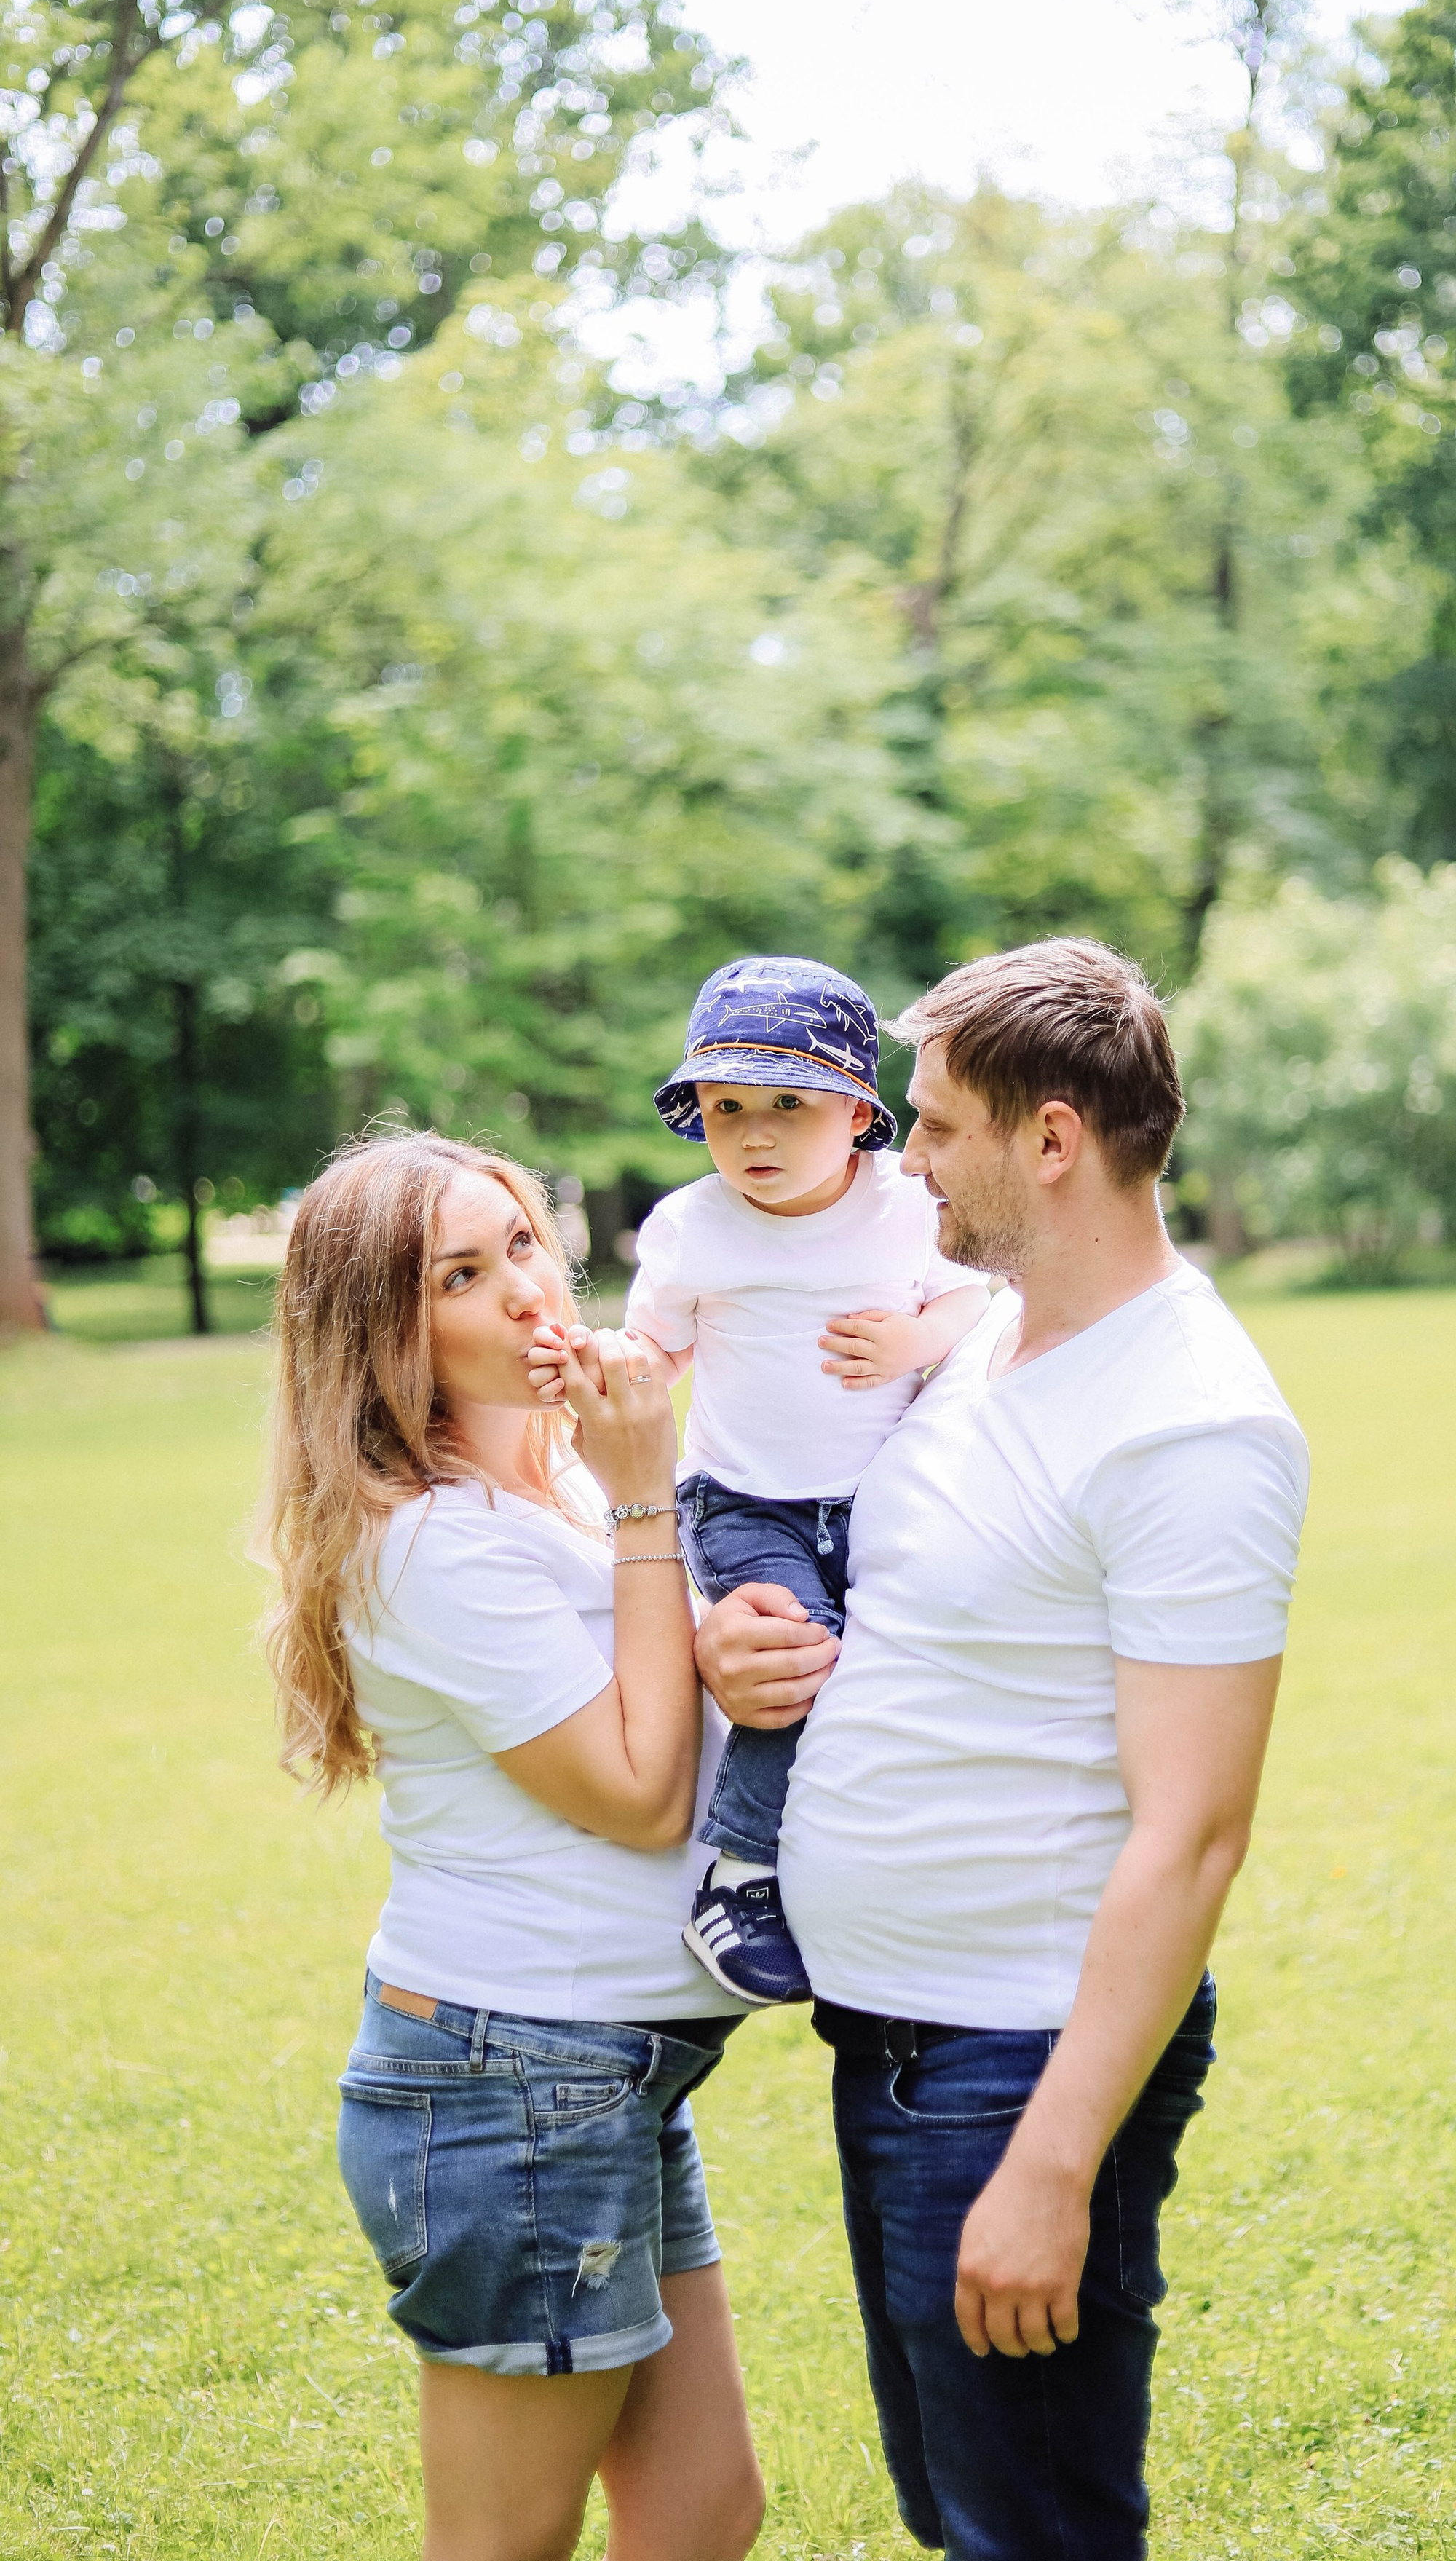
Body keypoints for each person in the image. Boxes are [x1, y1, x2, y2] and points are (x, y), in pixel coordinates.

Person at [694, 939, 1309, 2561]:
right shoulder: (982, 1337)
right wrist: (734, 1646)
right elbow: (896, 1604)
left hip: (1015, 2062)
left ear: (1051, 1139)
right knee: (960, 2508)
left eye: (935, 1124)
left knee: (1031, 2530)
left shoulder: (1191, 1424)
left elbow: (1193, 1833)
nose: (903, 1159)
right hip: (895, 2041)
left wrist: (1051, 2165)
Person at [258, 1130, 764, 2561]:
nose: (528, 1293)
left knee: (703, 2511)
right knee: (503, 2542)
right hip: (510, 2078)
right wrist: (650, 1491)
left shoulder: (561, 1489)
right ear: (383, 1334)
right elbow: (639, 1792)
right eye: (461, 1277)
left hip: (604, 2071)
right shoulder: (429, 1544)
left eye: (524, 1245)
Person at [533, 955, 986, 2008]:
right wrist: (608, 1365)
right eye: (727, 1106)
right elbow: (658, 1352)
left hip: (880, 1496)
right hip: (743, 1498)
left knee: (892, 1667)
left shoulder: (906, 1208)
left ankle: (869, 1858)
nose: (754, 1134)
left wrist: (914, 1338)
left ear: (860, 1114)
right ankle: (739, 1870)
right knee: (794, 1651)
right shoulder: (691, 1228)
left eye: (789, 1104)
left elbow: (972, 1303)